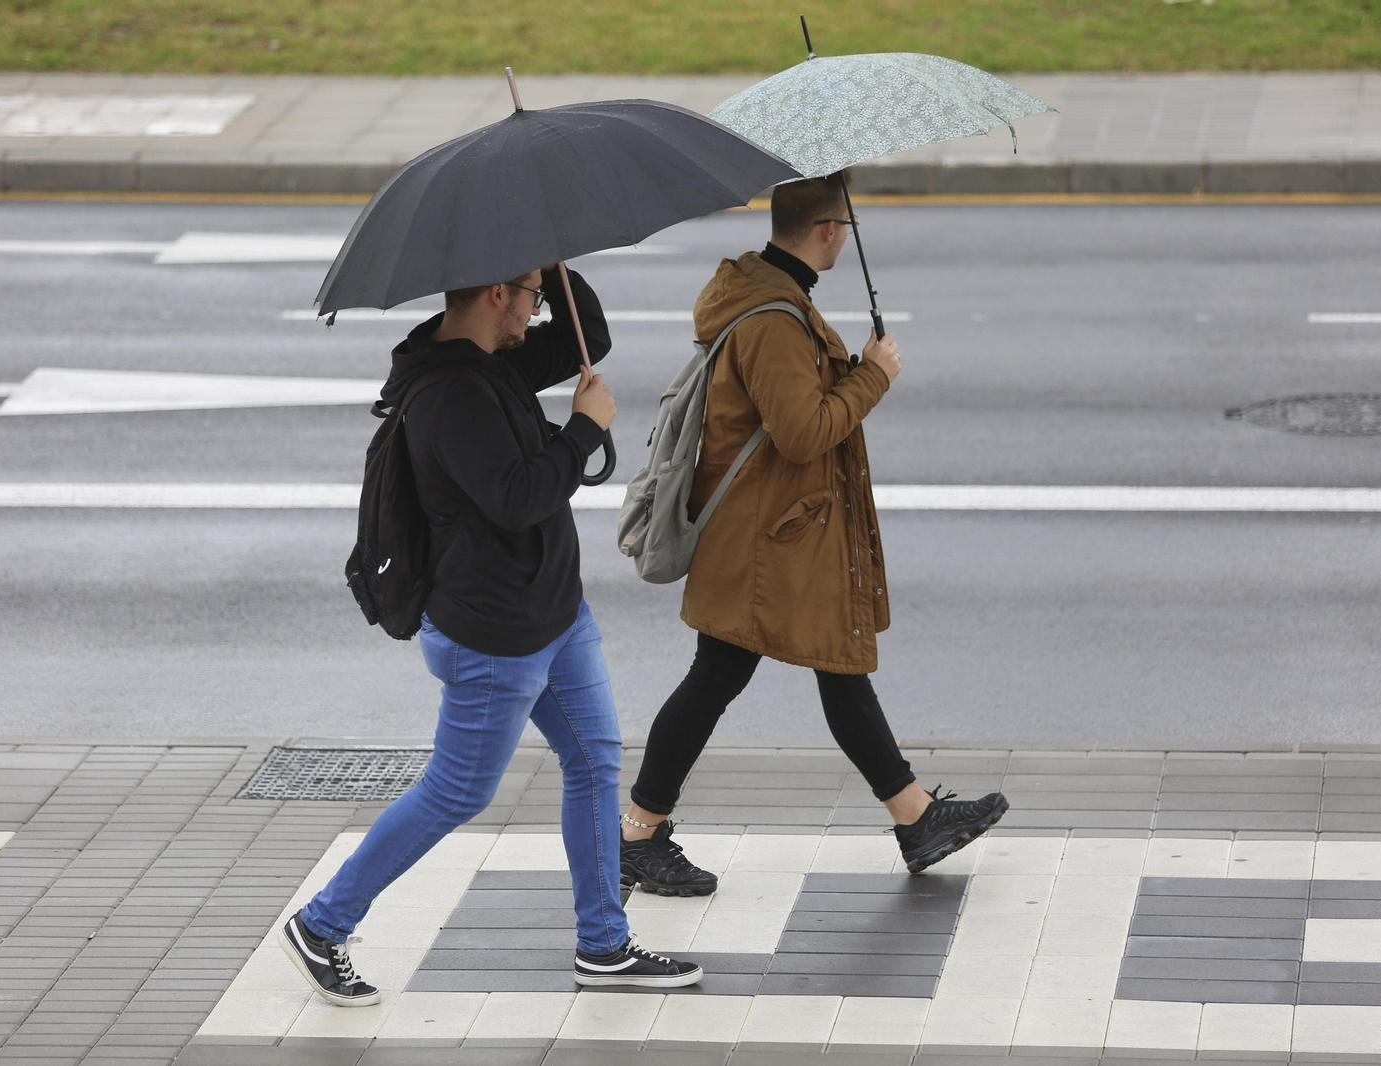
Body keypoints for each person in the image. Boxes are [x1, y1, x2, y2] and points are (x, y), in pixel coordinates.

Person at [283, 265, 701, 1006]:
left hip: (553, 613)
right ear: (496, 295)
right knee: (457, 791)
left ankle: (604, 946)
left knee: (594, 761)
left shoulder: (492, 360)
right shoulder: (450, 395)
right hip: (495, 632)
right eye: (533, 294)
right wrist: (583, 430)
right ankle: (321, 924)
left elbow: (587, 333)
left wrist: (550, 250)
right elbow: (516, 498)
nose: (539, 310)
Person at [620, 175, 1010, 895]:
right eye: (845, 227)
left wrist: (854, 373)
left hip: (778, 528)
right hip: (764, 539)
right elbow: (801, 433)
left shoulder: (774, 294)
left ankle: (913, 815)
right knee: (729, 675)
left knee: (818, 665)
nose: (844, 238)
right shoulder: (772, 319)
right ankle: (638, 836)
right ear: (830, 230)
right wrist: (872, 376)